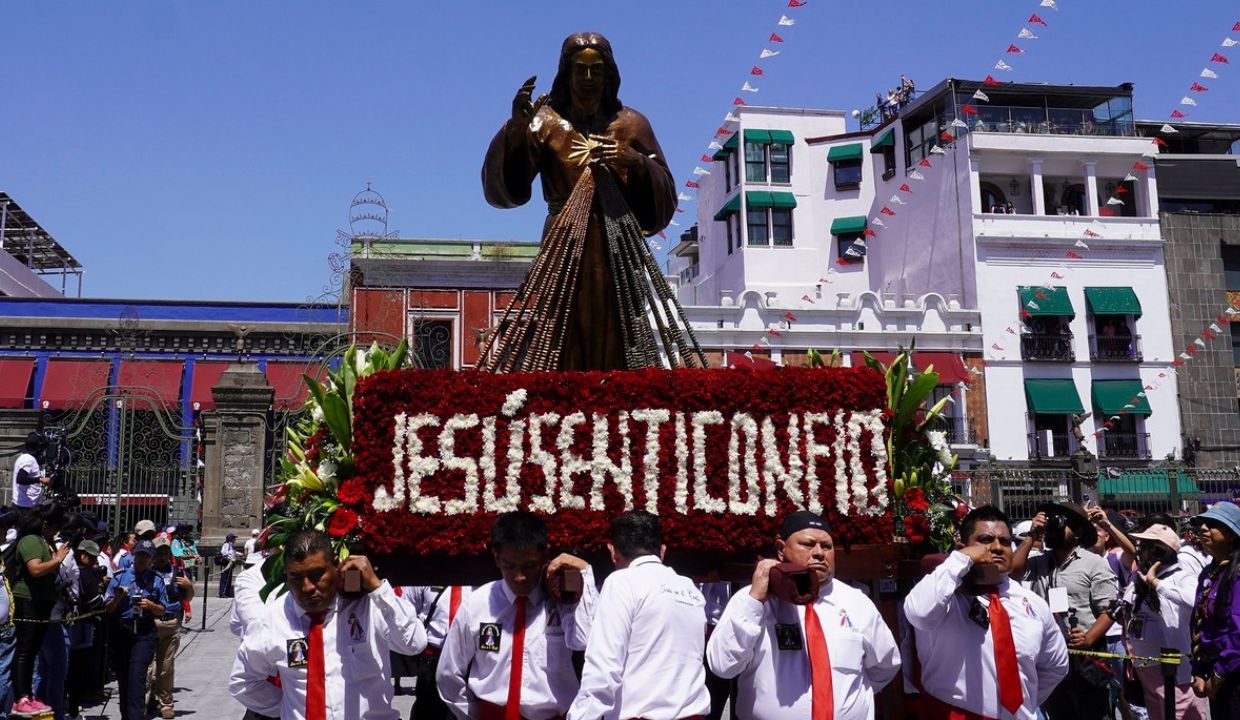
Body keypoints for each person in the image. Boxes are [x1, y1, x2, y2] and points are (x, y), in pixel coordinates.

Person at [482, 32, 681, 371]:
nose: (588, 79)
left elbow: (664, 197)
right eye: (580, 70)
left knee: (619, 327)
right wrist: (515, 130)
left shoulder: (631, 124)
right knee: (560, 328)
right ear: (567, 72)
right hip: (564, 241)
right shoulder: (543, 122)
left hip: (616, 244)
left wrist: (635, 161)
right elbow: (508, 190)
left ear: (609, 74)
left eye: (596, 70)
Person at [706, 511, 900, 719]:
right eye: (808, 544)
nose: (819, 553)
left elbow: (885, 666)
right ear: (781, 549)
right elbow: (722, 666)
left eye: (827, 546)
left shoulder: (857, 603)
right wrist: (754, 602)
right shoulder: (752, 600)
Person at [230, 530, 427, 720]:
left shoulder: (370, 606)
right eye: (296, 577)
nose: (307, 587)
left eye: (316, 575)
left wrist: (377, 588)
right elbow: (243, 681)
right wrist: (288, 708)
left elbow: (413, 644)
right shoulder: (272, 620)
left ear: (335, 566)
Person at [905, 505, 1068, 718]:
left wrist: (1020, 707)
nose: (997, 547)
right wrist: (960, 559)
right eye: (985, 540)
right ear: (963, 547)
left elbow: (1056, 665)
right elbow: (919, 613)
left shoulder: (1033, 603)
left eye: (1005, 542)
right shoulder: (945, 597)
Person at [437, 511, 597, 720]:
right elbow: (448, 673)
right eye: (510, 566)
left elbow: (585, 640)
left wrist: (585, 573)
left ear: (543, 556)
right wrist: (474, 715)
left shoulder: (563, 602)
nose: (519, 577)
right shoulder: (476, 604)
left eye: (529, 566)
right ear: (497, 557)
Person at [568, 510, 710, 720]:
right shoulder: (690, 589)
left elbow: (604, 666)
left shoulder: (621, 581)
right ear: (662, 551)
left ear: (613, 552)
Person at [1012, 503, 1118, 720]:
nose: (1053, 530)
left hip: (1086, 657)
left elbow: (1110, 609)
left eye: (1060, 524)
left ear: (1078, 532)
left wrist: (1088, 638)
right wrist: (1032, 535)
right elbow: (1013, 571)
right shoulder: (1040, 562)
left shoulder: (1093, 564)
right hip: (1051, 655)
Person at [1107, 523, 1204, 720]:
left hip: (1175, 672)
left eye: (1144, 546)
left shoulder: (1181, 576)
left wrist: (1157, 585)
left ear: (1160, 551)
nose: (1139, 551)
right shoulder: (1138, 579)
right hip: (1146, 668)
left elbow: (1194, 600)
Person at [6, 503, 70, 716]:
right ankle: (21, 696)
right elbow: (35, 569)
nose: (57, 531)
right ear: (45, 524)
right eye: (55, 526)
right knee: (25, 651)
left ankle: (28, 696)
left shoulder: (44, 541)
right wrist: (57, 559)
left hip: (43, 603)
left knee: (31, 651)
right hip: (28, 602)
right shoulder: (31, 541)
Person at [103, 539, 167, 720]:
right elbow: (108, 608)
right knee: (124, 677)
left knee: (137, 675)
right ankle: (127, 716)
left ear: (151, 559)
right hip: (122, 630)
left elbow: (163, 609)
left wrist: (151, 605)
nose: (142, 560)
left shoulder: (156, 579)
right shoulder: (120, 576)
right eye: (139, 555)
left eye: (146, 557)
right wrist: (118, 598)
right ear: (134, 555)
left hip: (144, 632)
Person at [1189, 501, 1240, 715]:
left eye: (1212, 524)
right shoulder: (1210, 573)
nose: (1203, 529)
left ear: (1231, 534)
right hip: (1214, 668)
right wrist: (1199, 670)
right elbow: (1198, 623)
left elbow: (1238, 631)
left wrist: (1219, 676)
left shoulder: (1237, 574)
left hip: (1234, 672)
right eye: (1201, 524)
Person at [402, 585, 473, 720]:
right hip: (433, 658)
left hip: (468, 661)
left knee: (463, 711)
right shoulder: (424, 577)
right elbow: (405, 612)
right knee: (428, 710)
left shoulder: (479, 580)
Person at [147, 536, 193, 719]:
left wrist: (189, 586)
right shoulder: (147, 572)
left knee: (166, 668)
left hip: (170, 623)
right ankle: (148, 700)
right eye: (159, 553)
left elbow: (187, 597)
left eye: (166, 552)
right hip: (150, 623)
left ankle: (165, 704)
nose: (163, 556)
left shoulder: (178, 572)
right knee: (149, 668)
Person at [66, 540, 106, 720]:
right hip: (82, 626)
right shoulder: (87, 574)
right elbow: (95, 602)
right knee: (78, 669)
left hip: (68, 625)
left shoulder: (70, 570)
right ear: (83, 556)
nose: (95, 562)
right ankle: (73, 709)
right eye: (92, 558)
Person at [10, 434, 51, 509]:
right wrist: (40, 479)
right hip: (25, 507)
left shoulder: (23, 457)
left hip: (23, 504)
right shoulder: (29, 460)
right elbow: (20, 479)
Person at [218, 533, 238, 598]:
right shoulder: (226, 545)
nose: (235, 540)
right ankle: (222, 593)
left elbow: (233, 552)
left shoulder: (231, 545)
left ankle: (227, 592)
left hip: (230, 563)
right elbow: (224, 552)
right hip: (226, 563)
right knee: (224, 578)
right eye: (234, 538)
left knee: (228, 578)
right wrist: (231, 555)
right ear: (231, 539)